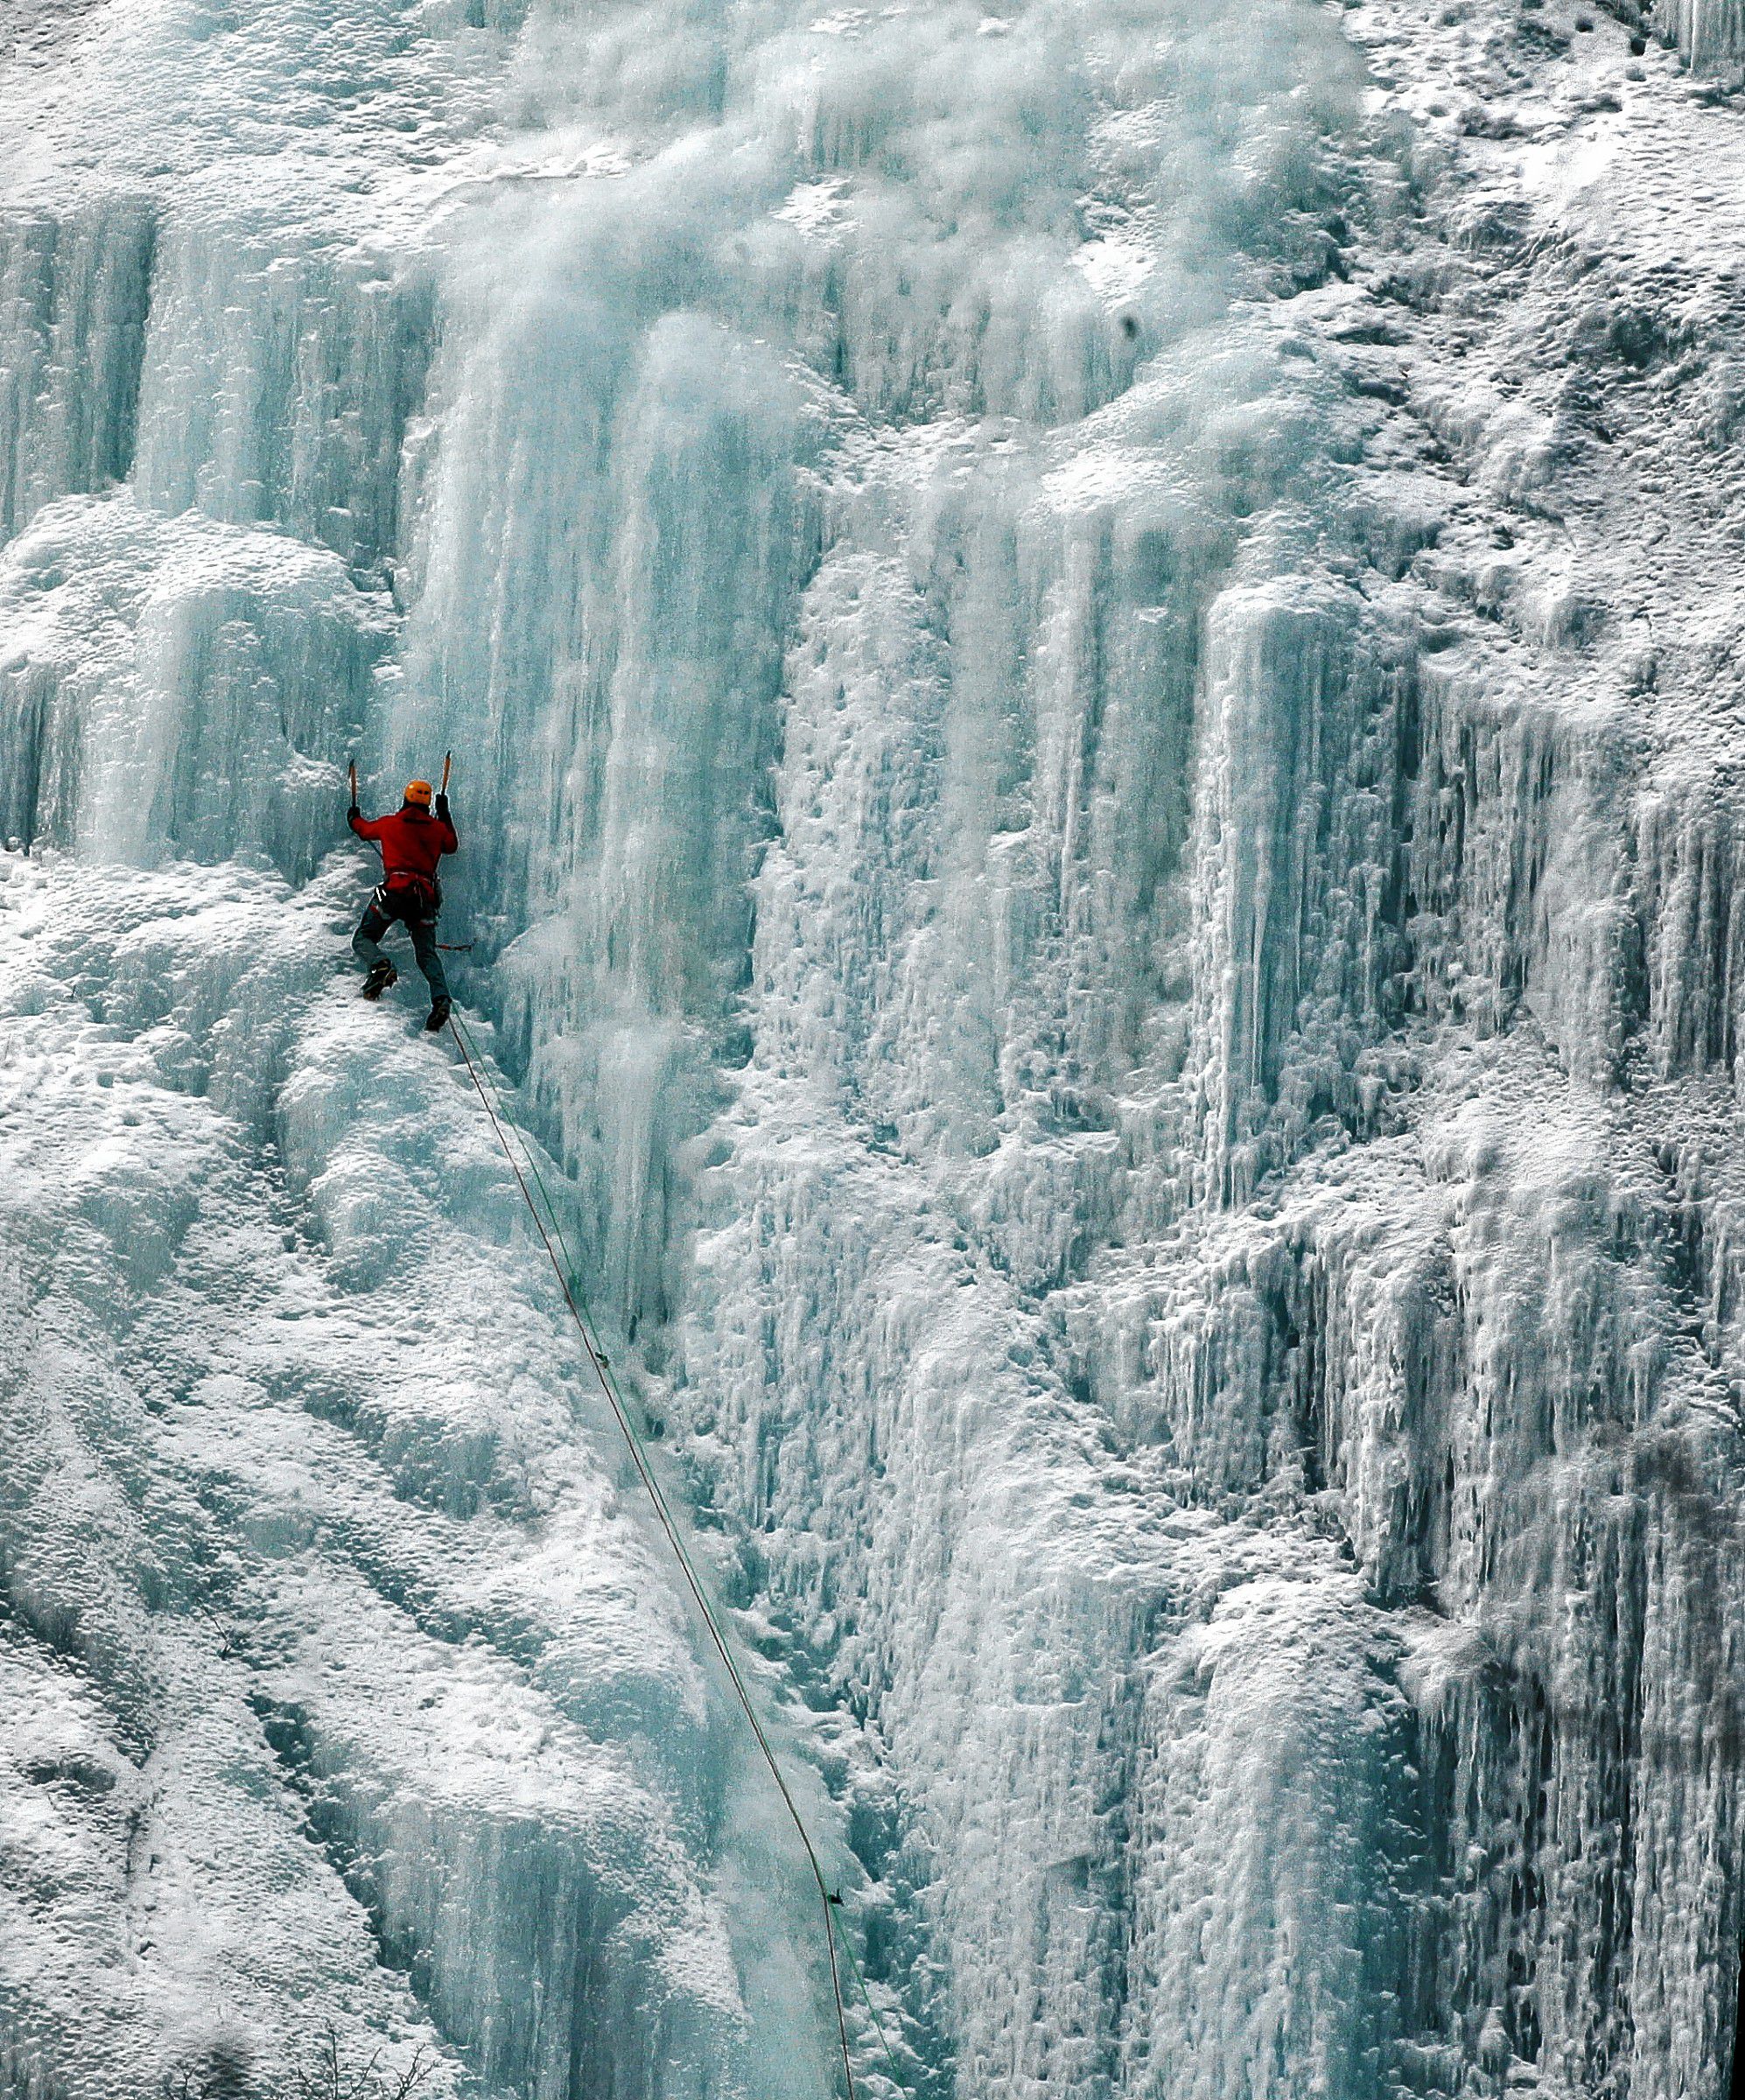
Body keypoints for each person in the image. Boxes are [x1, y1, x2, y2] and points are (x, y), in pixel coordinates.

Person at [348, 776, 458, 1030]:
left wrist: (353, 816)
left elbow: (363, 830)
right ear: (428, 805)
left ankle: (380, 965)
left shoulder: (391, 823)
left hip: (395, 893)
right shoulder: (437, 828)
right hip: (424, 900)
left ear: (405, 800)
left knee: (364, 938)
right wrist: (445, 814)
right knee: (426, 954)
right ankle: (441, 999)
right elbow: (451, 845)